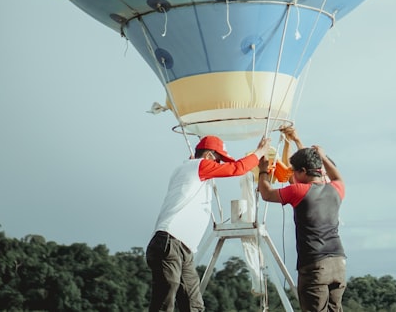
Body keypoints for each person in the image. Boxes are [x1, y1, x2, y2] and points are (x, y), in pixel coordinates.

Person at [147, 134, 270, 312]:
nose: (218, 166)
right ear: (209, 156)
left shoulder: (191, 169)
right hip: (170, 241)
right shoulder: (198, 166)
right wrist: (260, 152)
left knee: (193, 303)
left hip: (182, 246)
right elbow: (237, 169)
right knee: (165, 299)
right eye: (218, 161)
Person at [258, 126, 346, 312]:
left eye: (295, 171)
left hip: (315, 264)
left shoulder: (298, 191)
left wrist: (263, 171)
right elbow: (335, 175)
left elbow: (266, 193)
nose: (293, 175)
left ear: (303, 171)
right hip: (338, 262)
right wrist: (318, 154)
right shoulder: (336, 188)